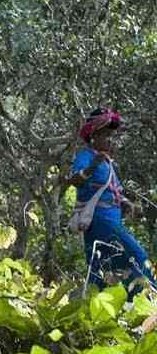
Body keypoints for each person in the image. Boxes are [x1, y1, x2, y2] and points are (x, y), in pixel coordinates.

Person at [66, 108, 155, 298]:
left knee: (103, 266)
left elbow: (115, 191)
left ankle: (100, 308)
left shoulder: (108, 162)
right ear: (94, 135)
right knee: (137, 258)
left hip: (112, 220)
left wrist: (127, 204)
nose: (110, 139)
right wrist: (93, 165)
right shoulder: (86, 156)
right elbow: (74, 181)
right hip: (100, 222)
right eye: (106, 135)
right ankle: (143, 298)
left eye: (111, 135)